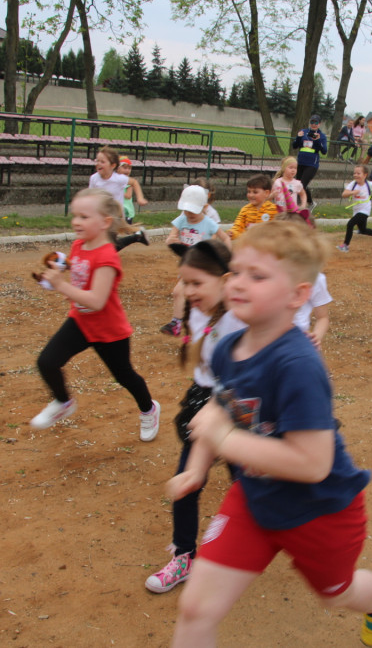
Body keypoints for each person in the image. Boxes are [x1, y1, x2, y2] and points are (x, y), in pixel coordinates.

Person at [167, 221, 372, 648]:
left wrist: (223, 442)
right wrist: (198, 467)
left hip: (320, 511)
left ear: (298, 295)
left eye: (258, 276)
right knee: (195, 609)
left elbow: (313, 464)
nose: (239, 283)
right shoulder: (226, 348)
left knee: (338, 594)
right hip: (254, 500)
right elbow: (224, 408)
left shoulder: (298, 365)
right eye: (236, 271)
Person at [147, 240, 245, 594]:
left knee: (247, 484)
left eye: (195, 283)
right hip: (203, 400)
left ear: (226, 280)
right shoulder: (198, 309)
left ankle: (264, 537)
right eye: (183, 283)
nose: (186, 291)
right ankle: (184, 555)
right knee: (187, 481)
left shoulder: (241, 318)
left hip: (233, 407)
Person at [31, 188, 160, 440]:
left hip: (109, 330)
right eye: (75, 216)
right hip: (80, 321)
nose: (76, 222)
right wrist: (58, 270)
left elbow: (97, 301)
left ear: (105, 223)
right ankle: (63, 402)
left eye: (84, 217)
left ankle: (149, 409)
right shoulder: (79, 244)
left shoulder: (108, 257)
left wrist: (61, 285)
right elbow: (79, 272)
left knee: (124, 376)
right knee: (46, 362)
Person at [161, 186, 233, 337]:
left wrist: (227, 256)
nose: (189, 214)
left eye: (193, 211)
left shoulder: (209, 223)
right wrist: (173, 241)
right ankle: (194, 322)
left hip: (205, 265)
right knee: (185, 294)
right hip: (189, 265)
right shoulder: (181, 220)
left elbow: (225, 237)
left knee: (180, 292)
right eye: (186, 210)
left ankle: (177, 324)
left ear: (205, 207)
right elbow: (170, 239)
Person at [89, 147, 148, 251]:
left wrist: (140, 198)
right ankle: (138, 236)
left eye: (102, 161)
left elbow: (134, 182)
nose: (98, 163)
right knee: (104, 243)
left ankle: (136, 236)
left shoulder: (118, 179)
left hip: (115, 217)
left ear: (113, 165)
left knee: (109, 245)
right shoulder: (94, 178)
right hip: (100, 215)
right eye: (97, 160)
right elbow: (90, 195)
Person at [337, 165, 372, 252]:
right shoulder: (353, 184)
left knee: (350, 224)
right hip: (356, 210)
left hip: (365, 210)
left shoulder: (369, 184)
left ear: (365, 175)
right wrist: (353, 192)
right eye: (354, 173)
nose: (356, 175)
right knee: (362, 230)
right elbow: (344, 194)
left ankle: (345, 245)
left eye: (358, 173)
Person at [291, 114, 327, 207]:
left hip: (312, 164)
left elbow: (324, 151)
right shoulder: (303, 132)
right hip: (301, 162)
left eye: (316, 122)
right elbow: (294, 146)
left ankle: (300, 205)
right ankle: (310, 202)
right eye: (312, 122)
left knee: (301, 185)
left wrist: (318, 140)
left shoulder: (321, 136)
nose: (313, 124)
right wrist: (298, 137)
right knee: (299, 184)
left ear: (319, 124)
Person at [229, 174, 279, 239]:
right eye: (249, 191)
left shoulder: (274, 210)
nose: (251, 195)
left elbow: (278, 229)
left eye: (255, 192)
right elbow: (238, 226)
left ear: (266, 193)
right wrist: (232, 233)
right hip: (248, 244)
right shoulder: (245, 209)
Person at [271, 156, 309, 222]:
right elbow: (269, 197)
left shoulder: (297, 183)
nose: (293, 170)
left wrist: (303, 205)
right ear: (283, 168)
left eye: (295, 168)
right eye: (290, 167)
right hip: (279, 214)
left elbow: (303, 194)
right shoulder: (277, 182)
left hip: (291, 214)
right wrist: (272, 196)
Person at [117, 157, 149, 223]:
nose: (127, 170)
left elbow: (128, 195)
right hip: (116, 211)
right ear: (117, 168)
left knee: (126, 230)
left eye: (129, 168)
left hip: (126, 212)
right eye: (125, 168)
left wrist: (116, 192)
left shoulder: (129, 182)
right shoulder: (114, 181)